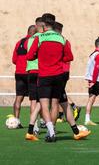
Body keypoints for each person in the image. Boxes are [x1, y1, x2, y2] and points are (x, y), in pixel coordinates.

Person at [26, 13, 89, 142]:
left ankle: (50, 132)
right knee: (57, 104)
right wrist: (58, 58)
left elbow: (30, 56)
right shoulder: (62, 39)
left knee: (44, 104)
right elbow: (69, 57)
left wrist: (41, 56)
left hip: (44, 75)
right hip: (58, 75)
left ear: (43, 25)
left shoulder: (40, 38)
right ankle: (72, 132)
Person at [53, 22, 81, 123]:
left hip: (61, 70)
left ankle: (73, 107)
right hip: (64, 70)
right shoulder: (64, 40)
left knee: (57, 94)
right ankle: (60, 115)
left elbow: (69, 57)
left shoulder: (61, 41)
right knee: (60, 92)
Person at [12, 25, 36, 128]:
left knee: (18, 98)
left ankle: (16, 121)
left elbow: (14, 60)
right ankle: (33, 123)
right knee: (33, 99)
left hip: (19, 73)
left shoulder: (19, 42)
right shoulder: (33, 42)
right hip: (29, 73)